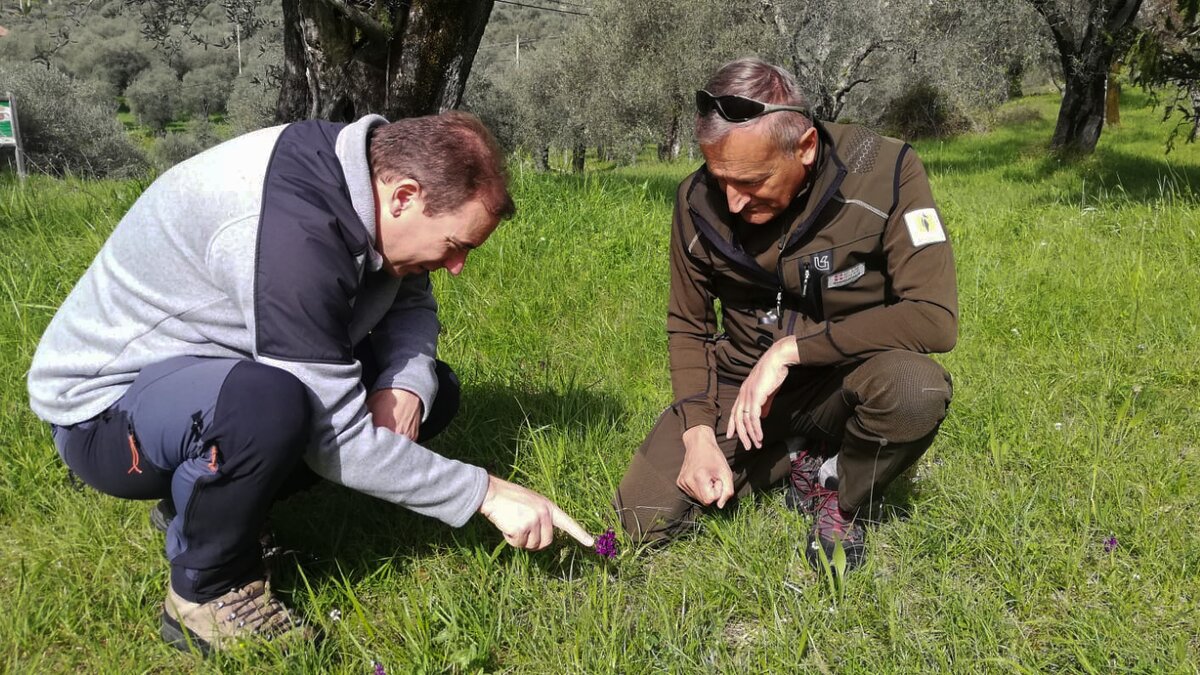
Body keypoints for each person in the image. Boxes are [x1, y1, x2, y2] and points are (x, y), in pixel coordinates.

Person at [27, 111, 594, 654]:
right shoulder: (293, 236)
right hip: (104, 412)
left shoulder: (364, 175)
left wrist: (406, 386)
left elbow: (410, 302)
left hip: (200, 381)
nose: (458, 268)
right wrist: (488, 494)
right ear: (404, 197)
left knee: (431, 394)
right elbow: (337, 444)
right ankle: (205, 591)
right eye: (455, 246)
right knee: (265, 408)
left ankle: (197, 505)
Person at [614, 59, 957, 573]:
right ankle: (798, 454)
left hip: (845, 376)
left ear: (806, 147)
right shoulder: (696, 200)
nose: (731, 200)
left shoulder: (886, 172)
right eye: (719, 177)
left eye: (750, 181)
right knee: (643, 517)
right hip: (741, 388)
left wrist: (794, 349)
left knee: (915, 390)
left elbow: (934, 318)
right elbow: (688, 325)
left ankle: (841, 490)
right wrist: (698, 434)